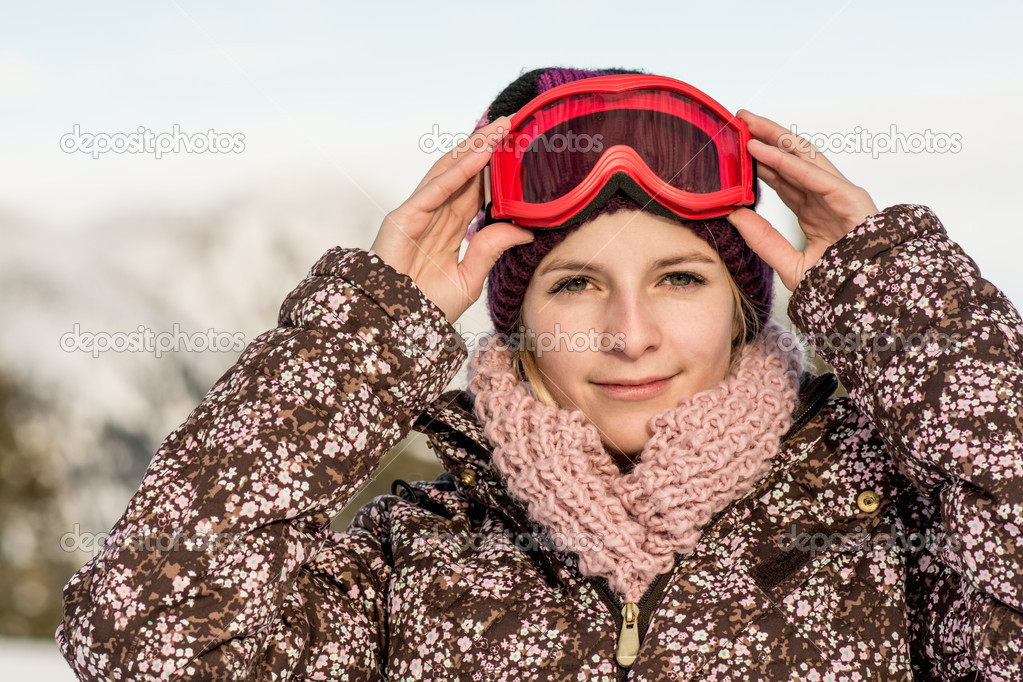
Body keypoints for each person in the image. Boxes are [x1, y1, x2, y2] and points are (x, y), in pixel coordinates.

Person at [56, 67, 1022, 681]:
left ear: (742, 309)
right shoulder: (408, 565)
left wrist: (906, 308)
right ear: (516, 325)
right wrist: (361, 336)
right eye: (575, 285)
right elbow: (144, 639)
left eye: (680, 278)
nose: (629, 334)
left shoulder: (901, 541)